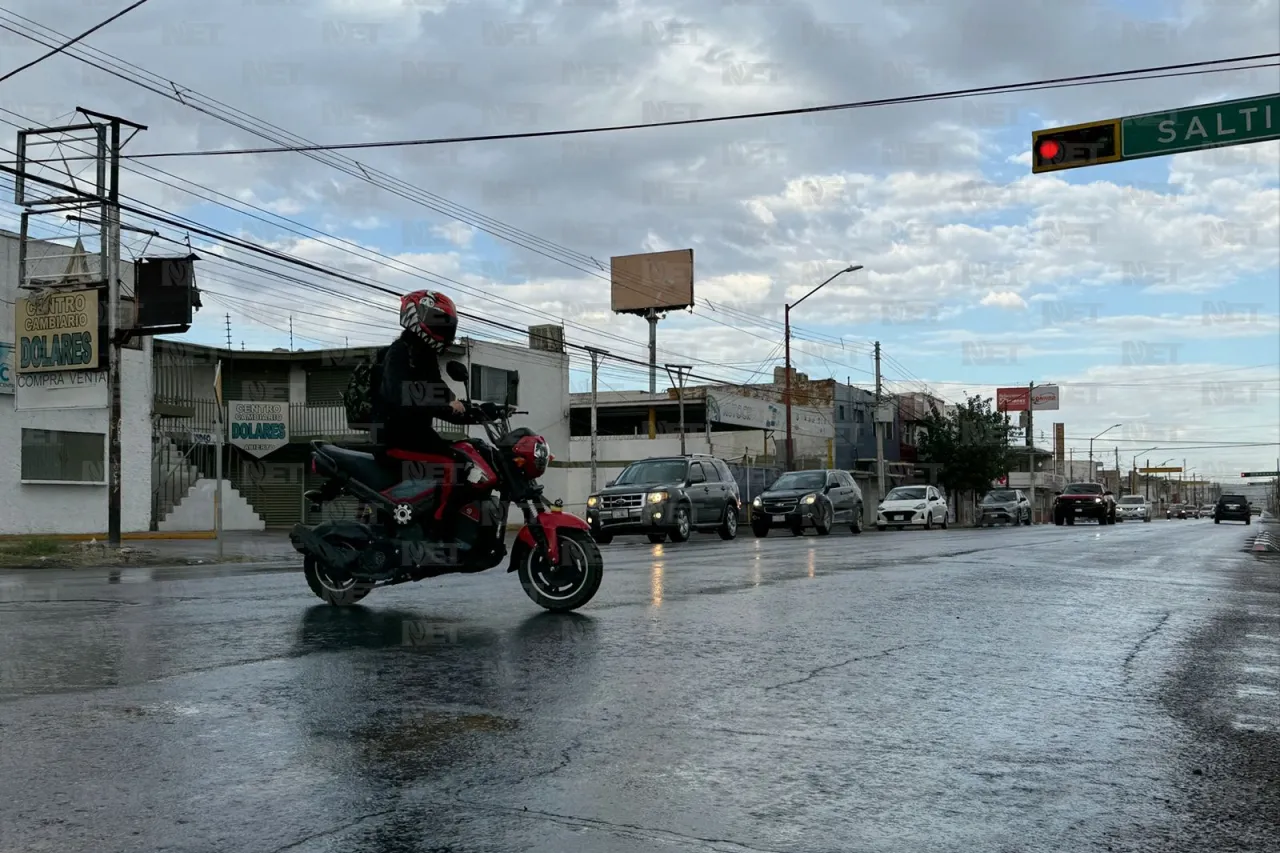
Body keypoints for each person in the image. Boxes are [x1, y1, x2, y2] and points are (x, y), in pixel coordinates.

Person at [370, 290, 476, 536]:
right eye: (437, 320)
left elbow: (439, 390)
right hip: (393, 437)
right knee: (453, 466)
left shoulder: (423, 355)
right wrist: (446, 405)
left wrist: (475, 410)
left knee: (468, 454)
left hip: (416, 435)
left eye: (446, 323)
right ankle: (438, 529)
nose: (443, 328)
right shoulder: (399, 353)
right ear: (416, 317)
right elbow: (401, 396)